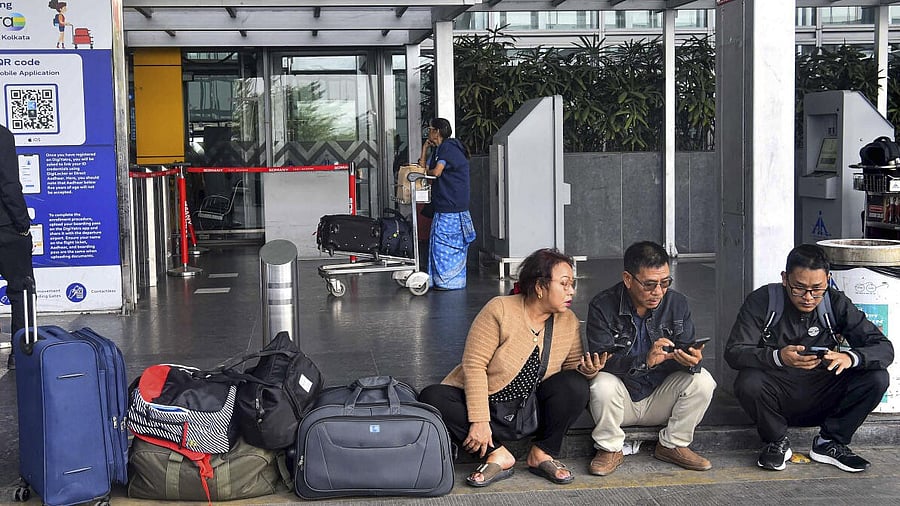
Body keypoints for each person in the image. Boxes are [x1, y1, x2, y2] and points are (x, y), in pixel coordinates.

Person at [419, 248, 605, 487]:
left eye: (572, 284)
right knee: (433, 397)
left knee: (575, 385)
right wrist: (479, 419)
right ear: (540, 286)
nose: (571, 291)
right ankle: (497, 453)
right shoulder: (500, 309)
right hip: (489, 405)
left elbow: (569, 370)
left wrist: (587, 371)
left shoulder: (567, 320)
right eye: (565, 283)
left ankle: (542, 452)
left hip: (529, 410)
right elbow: (474, 366)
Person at [725, 243, 892, 473]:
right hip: (777, 396)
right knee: (748, 381)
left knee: (877, 377)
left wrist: (849, 357)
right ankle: (776, 442)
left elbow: (884, 348)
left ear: (828, 280)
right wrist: (778, 357)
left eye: (817, 289)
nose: (808, 297)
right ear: (785, 279)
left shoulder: (835, 302)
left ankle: (830, 442)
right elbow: (734, 351)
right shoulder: (763, 300)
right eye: (799, 288)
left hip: (824, 394)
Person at [585, 241, 716, 476]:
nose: (658, 291)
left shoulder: (677, 303)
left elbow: (687, 350)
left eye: (665, 283)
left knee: (703, 380)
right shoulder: (603, 305)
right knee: (601, 383)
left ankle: (672, 444)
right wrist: (644, 360)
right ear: (628, 279)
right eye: (649, 284)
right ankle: (609, 448)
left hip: (660, 397)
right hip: (621, 400)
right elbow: (602, 360)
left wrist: (691, 360)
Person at [418, 118, 475, 290]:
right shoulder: (440, 150)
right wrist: (425, 148)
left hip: (451, 205)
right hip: (446, 203)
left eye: (430, 129)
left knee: (445, 243)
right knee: (440, 242)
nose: (428, 132)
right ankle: (443, 280)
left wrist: (423, 172)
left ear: (437, 131)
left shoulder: (448, 148)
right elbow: (423, 167)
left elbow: (435, 172)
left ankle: (448, 281)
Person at [0, 124, 35, 370]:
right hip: (5, 228)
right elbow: (9, 185)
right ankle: (20, 354)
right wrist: (22, 224)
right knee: (21, 291)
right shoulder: (1, 136)